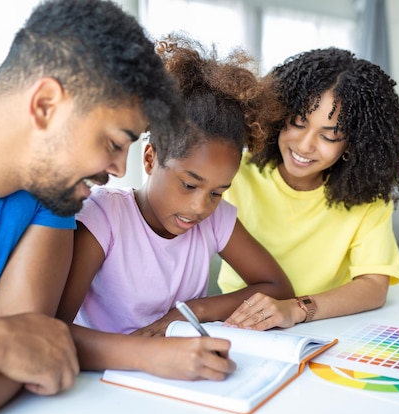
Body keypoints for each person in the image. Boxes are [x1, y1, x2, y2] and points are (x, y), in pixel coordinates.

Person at [0, 0, 186, 414]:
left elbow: (29, 354)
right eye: (115, 143)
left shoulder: (52, 189)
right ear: (45, 105)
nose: (118, 169)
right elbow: (11, 343)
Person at [56, 35, 294, 377]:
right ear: (151, 159)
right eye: (189, 184)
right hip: (104, 382)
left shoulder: (216, 220)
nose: (200, 207)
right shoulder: (104, 218)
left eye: (217, 192)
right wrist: (147, 354)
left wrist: (188, 312)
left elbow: (277, 287)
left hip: (181, 377)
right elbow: (53, 331)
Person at [221, 47, 399, 330]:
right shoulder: (235, 171)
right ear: (278, 115)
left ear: (353, 144)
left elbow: (374, 285)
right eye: (298, 122)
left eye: (329, 136)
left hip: (327, 327)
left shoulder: (366, 199)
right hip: (241, 324)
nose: (305, 145)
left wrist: (296, 310)